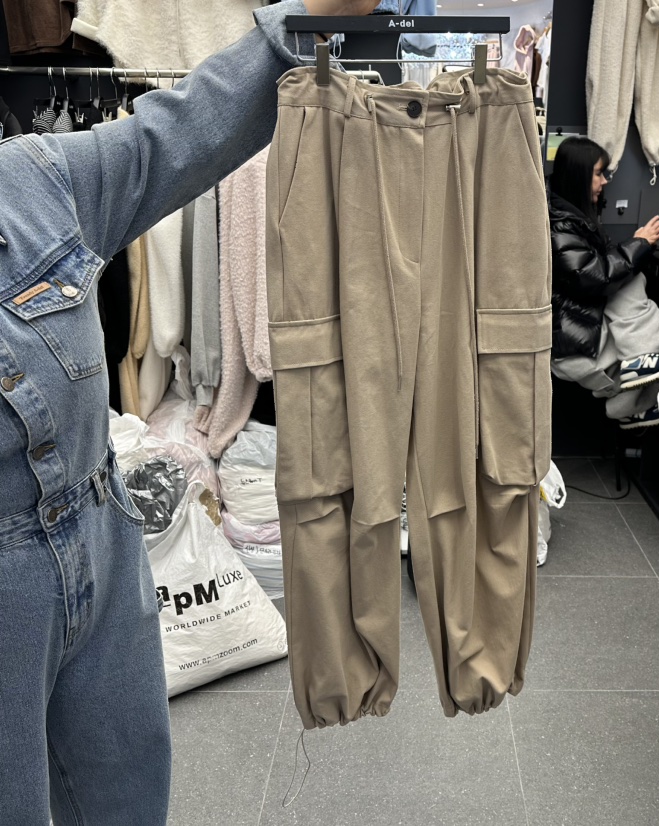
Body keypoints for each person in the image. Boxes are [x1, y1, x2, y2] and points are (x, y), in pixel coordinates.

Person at [0, 0, 377, 822]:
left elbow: (179, 131)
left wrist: (310, 18)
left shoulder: (33, 181)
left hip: (101, 533)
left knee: (127, 793)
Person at [548, 136, 659, 428]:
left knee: (630, 279)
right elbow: (593, 276)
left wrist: (638, 243)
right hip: (574, 344)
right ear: (579, 176)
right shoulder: (560, 225)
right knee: (630, 282)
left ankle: (631, 405)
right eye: (598, 173)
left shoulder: (568, 216)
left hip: (575, 332)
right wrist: (639, 244)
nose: (604, 181)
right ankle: (641, 358)